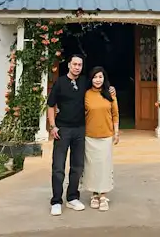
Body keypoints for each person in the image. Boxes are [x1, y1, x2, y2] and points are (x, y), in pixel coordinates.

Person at [47, 54, 116, 216]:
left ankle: (72, 197)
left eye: (80, 65)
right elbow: (51, 105)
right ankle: (56, 201)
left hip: (80, 130)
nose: (77, 67)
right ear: (69, 65)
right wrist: (53, 126)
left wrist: (111, 88)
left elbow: (99, 84)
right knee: (58, 167)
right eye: (74, 64)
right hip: (62, 130)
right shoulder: (60, 83)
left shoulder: (85, 82)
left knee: (77, 166)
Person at [82, 66, 119, 212]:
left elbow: (115, 114)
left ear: (104, 78)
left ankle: (103, 195)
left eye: (100, 77)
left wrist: (116, 133)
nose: (98, 80)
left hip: (106, 136)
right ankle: (94, 195)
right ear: (91, 79)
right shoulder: (86, 94)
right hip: (89, 136)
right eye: (95, 77)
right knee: (92, 167)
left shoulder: (110, 93)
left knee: (104, 167)